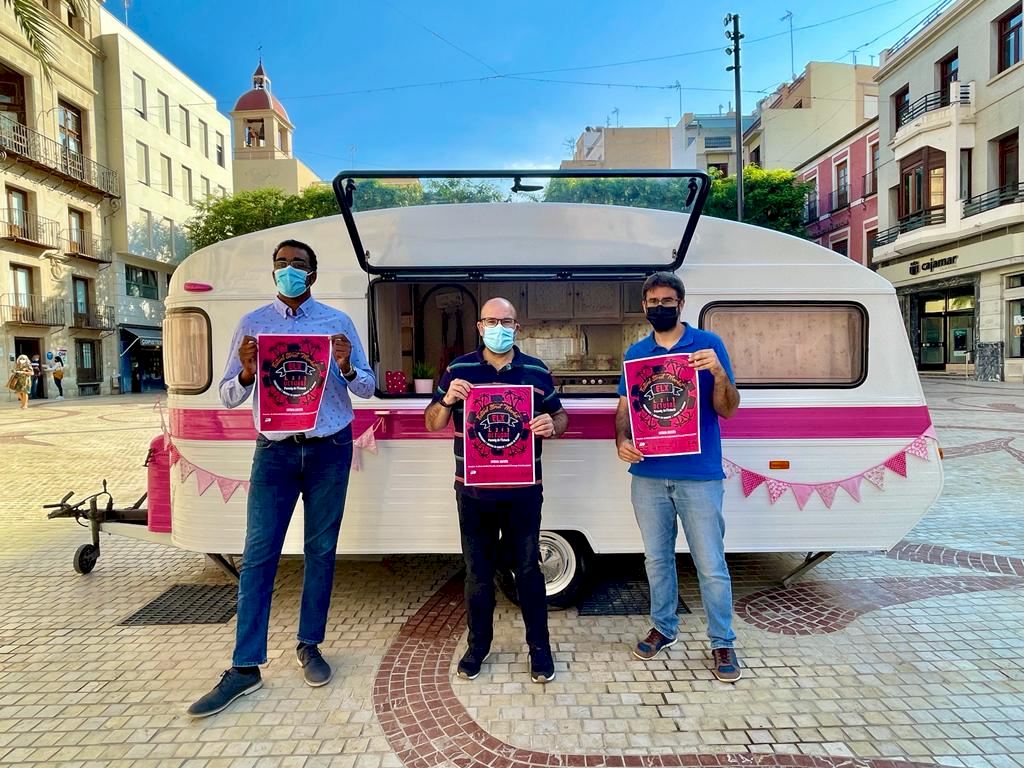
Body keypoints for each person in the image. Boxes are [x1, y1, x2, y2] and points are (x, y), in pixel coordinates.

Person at [188, 239, 375, 718]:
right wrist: (247, 373)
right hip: (274, 451)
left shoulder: (337, 323)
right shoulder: (252, 324)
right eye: (281, 263)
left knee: (321, 551)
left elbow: (368, 387)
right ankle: (245, 666)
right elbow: (227, 396)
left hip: (330, 448)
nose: (289, 269)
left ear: (313, 273)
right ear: (273, 271)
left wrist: (346, 366)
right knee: (258, 555)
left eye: (298, 264)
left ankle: (310, 645)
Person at [424, 298, 568, 684]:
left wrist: (552, 426)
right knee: (478, 573)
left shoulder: (536, 370)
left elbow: (560, 415)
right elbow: (432, 422)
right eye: (491, 321)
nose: (499, 328)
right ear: (479, 326)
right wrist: (447, 399)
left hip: (524, 490)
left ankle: (540, 648)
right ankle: (478, 646)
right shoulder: (458, 369)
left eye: (506, 322)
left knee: (528, 570)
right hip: (473, 492)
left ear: (517, 327)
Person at [615, 272, 743, 683]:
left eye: (667, 301)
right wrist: (621, 440)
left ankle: (722, 641)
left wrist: (719, 373)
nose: (660, 307)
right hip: (648, 474)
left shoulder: (708, 345)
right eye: (653, 302)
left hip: (699, 474)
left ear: (681, 304)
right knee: (656, 560)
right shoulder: (636, 353)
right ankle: (664, 627)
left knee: (710, 564)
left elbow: (729, 410)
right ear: (644, 307)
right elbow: (625, 408)